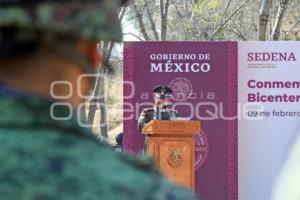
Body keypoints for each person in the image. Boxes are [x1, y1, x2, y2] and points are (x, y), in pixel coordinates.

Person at [0, 1, 196, 200]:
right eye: (159, 97)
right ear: (92, 54)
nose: (163, 99)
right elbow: (142, 128)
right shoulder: (146, 191)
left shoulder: (174, 115)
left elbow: (180, 128)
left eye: (165, 97)